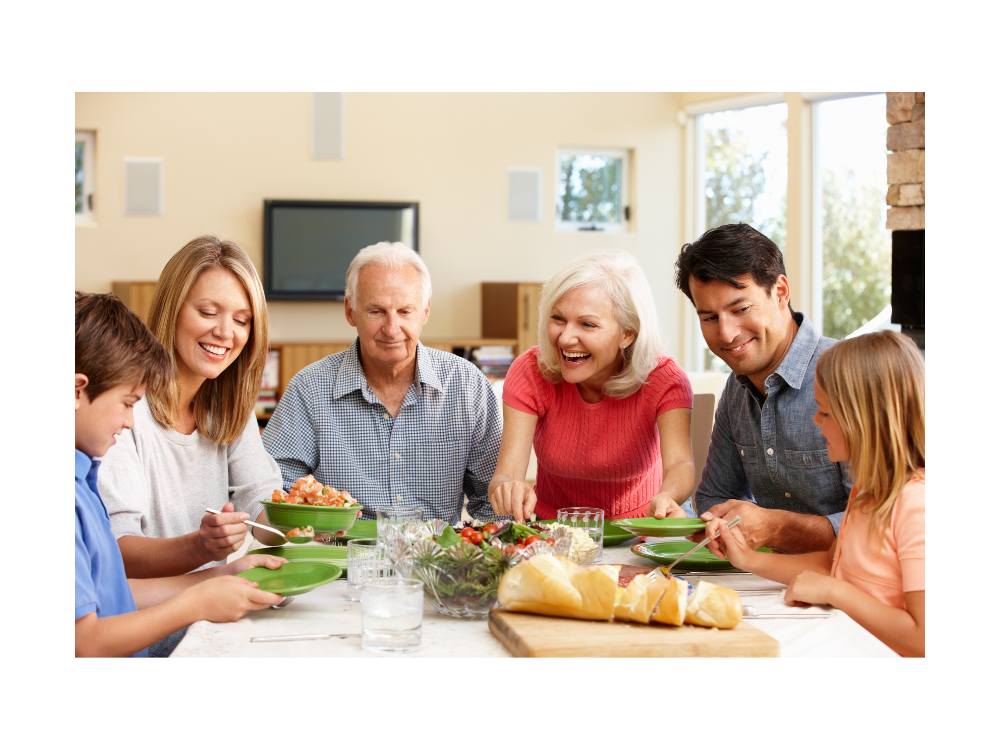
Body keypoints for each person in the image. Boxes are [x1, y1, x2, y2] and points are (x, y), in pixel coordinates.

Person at [75, 292, 285, 657]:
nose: (128, 420)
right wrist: (195, 602)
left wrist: (218, 577)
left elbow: (115, 592)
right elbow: (83, 643)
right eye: (127, 404)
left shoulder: (84, 479)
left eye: (242, 319)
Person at [710, 331, 924, 656]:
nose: (815, 420)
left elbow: (923, 639)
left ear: (863, 420)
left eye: (825, 412)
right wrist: (748, 560)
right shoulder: (866, 492)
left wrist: (836, 592)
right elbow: (833, 564)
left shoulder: (916, 504)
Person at [263, 242, 502, 525]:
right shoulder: (310, 388)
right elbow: (275, 492)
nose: (391, 329)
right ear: (350, 311)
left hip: (437, 561)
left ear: (425, 311)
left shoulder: (466, 385)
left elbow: (493, 500)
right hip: (343, 560)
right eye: (376, 311)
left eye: (405, 312)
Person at [99, 235, 286, 582]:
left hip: (215, 606)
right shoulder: (125, 409)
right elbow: (116, 551)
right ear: (173, 310)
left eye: (242, 320)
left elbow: (258, 497)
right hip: (153, 618)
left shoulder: (229, 404)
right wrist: (201, 547)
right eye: (208, 312)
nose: (225, 332)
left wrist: (302, 522)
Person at [675, 223, 851, 553]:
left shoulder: (846, 375)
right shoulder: (736, 388)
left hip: (850, 592)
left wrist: (777, 528)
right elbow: (715, 498)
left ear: (781, 292)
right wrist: (687, 518)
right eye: (709, 318)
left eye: (740, 309)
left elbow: (881, 524)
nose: (726, 334)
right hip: (773, 582)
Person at [489, 251, 695, 522]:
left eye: (587, 324)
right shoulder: (531, 371)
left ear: (627, 333)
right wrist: (506, 489)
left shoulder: (664, 379)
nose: (565, 338)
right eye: (558, 319)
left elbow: (680, 464)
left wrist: (667, 496)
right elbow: (507, 472)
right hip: (554, 532)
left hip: (639, 531)